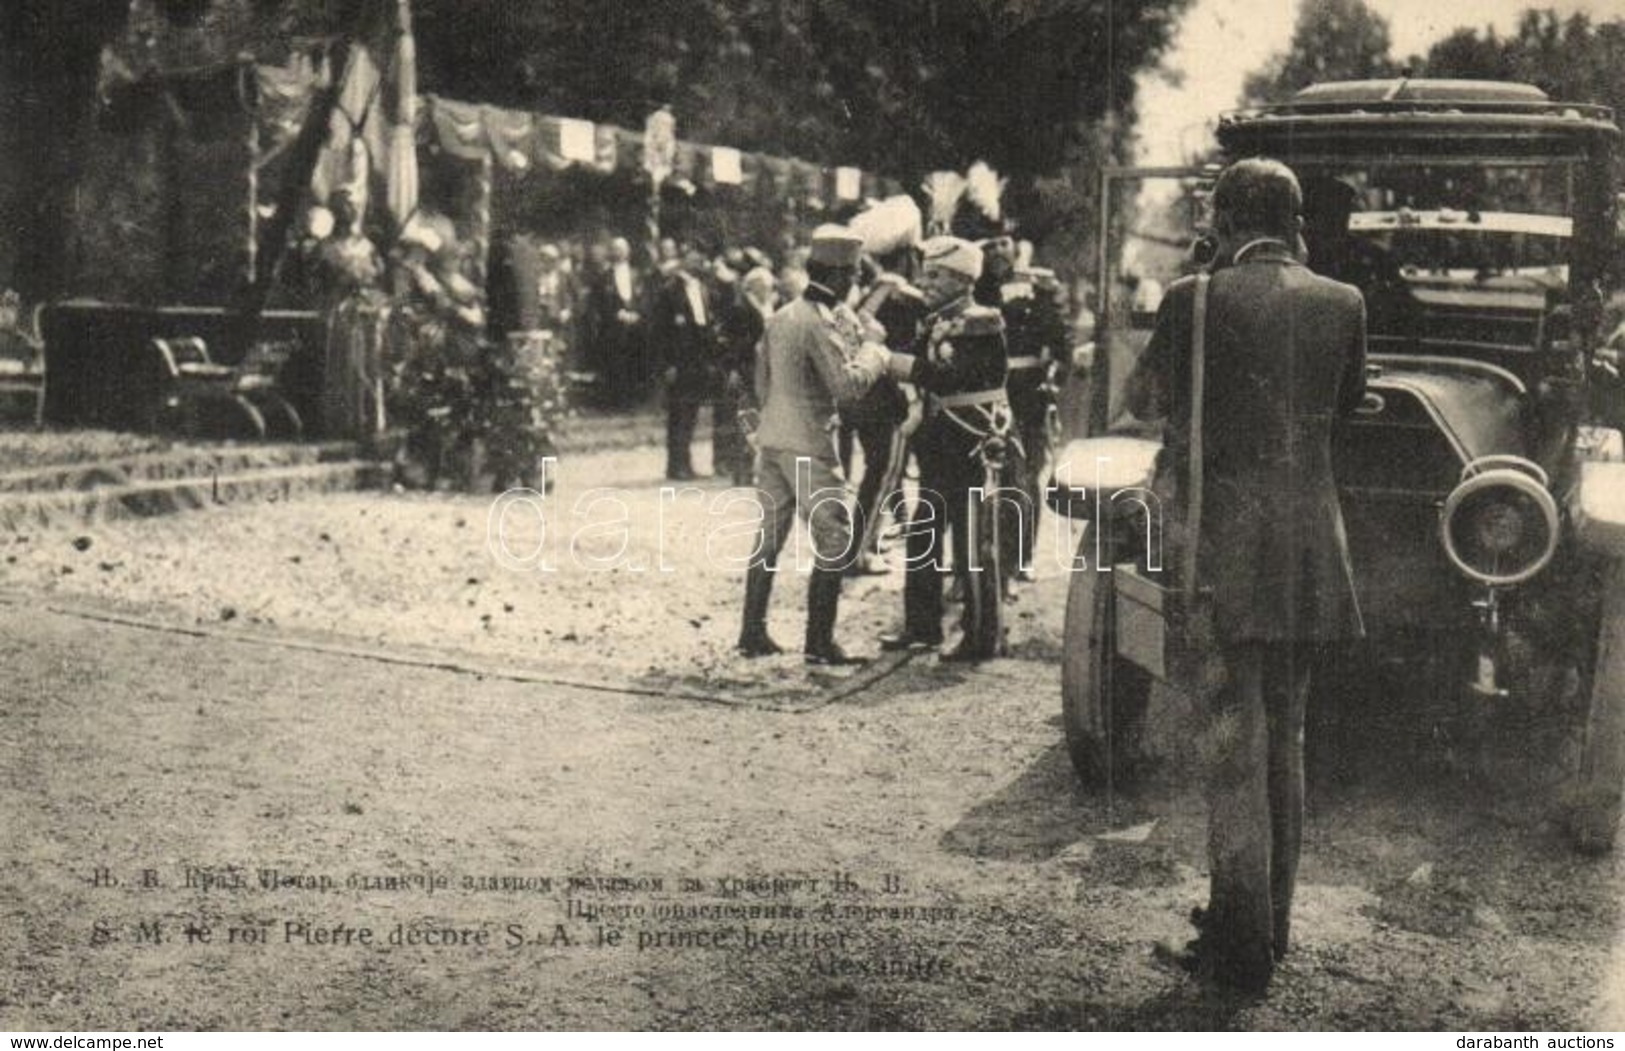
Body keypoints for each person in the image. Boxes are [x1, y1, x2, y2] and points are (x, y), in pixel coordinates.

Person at [1126, 158, 1367, 992]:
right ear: (1297, 221)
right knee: (1286, 744)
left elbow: (1141, 398)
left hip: (1218, 556)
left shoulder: (1192, 298)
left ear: (1223, 218)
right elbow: (1342, 411)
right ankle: (1271, 926)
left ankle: (1236, 951)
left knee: (1232, 749)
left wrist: (1198, 275)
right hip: (1309, 554)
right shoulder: (1343, 303)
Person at [737, 224, 900, 666]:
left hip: (773, 438)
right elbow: (845, 387)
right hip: (809, 442)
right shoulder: (818, 322)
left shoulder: (781, 316)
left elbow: (760, 382)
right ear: (845, 275)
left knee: (769, 536)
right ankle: (819, 641)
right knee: (835, 536)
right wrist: (875, 352)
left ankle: (752, 631)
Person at [878, 236, 1010, 662]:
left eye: (935, 275)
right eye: (926, 273)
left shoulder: (981, 320)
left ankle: (981, 635)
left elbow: (954, 378)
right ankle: (922, 627)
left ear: (962, 278)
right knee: (922, 535)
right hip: (937, 442)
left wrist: (896, 363)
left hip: (968, 441)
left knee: (972, 544)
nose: (925, 281)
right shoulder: (934, 320)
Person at [653, 246, 719, 480]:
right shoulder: (670, 291)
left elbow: (705, 324)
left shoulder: (702, 289)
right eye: (693, 258)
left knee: (691, 412)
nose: (698, 262)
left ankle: (686, 463)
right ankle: (675, 464)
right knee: (678, 413)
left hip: (698, 359)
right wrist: (667, 364)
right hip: (679, 361)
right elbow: (661, 331)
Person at [716, 265, 778, 486]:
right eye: (764, 287)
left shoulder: (769, 306)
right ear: (753, 287)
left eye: (769, 287)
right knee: (745, 419)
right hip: (746, 368)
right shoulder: (740, 308)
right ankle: (741, 471)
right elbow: (731, 342)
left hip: (766, 369)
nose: (767, 290)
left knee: (760, 419)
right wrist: (732, 368)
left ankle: (756, 467)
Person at [586, 236, 646, 407]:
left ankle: (633, 400)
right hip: (613, 326)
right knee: (615, 362)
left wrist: (637, 313)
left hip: (635, 323)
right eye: (616, 249)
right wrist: (614, 313)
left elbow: (644, 298)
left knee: (633, 360)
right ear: (612, 252)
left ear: (628, 252)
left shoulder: (637, 274)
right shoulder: (604, 277)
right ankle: (616, 400)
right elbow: (598, 302)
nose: (619, 252)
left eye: (623, 249)